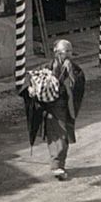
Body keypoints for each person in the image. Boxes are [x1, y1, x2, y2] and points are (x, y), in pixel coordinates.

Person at [20, 39, 86, 180]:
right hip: (49, 107)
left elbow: (79, 86)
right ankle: (57, 165)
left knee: (62, 136)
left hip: (64, 107)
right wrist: (32, 89)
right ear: (56, 52)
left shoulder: (75, 69)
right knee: (54, 135)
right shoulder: (48, 67)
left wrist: (71, 75)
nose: (68, 54)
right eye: (65, 51)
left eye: (70, 51)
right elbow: (31, 80)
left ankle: (58, 164)